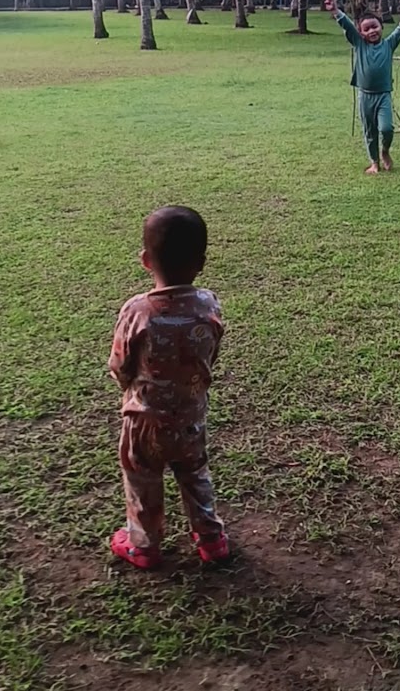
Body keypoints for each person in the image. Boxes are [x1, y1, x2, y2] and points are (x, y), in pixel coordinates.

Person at [109, 206, 229, 570]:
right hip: (191, 416)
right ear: (201, 261)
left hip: (143, 422)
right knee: (195, 476)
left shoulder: (138, 311)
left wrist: (126, 385)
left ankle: (143, 545)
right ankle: (211, 539)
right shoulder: (208, 303)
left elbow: (120, 363)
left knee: (143, 481)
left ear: (146, 260)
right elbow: (212, 352)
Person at [333, 0, 400, 173]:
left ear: (381, 27)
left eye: (374, 26)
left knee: (387, 128)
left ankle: (385, 152)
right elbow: (348, 26)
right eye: (366, 29)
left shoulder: (389, 44)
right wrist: (335, 11)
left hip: (383, 96)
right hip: (365, 97)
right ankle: (374, 162)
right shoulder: (359, 44)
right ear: (361, 33)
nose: (371, 31)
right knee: (370, 132)